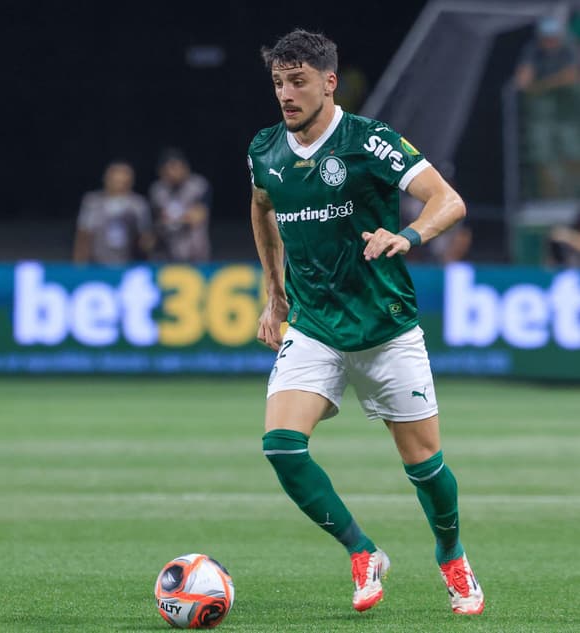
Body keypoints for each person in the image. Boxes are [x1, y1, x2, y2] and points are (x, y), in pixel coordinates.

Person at [247, 30, 484, 615]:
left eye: (298, 81)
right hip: (315, 326)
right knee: (281, 446)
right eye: (278, 83)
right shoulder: (265, 150)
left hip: (385, 328)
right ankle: (363, 550)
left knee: (426, 465)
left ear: (330, 82)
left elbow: (448, 201)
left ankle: (453, 559)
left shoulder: (369, 141)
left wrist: (407, 236)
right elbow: (261, 207)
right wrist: (274, 292)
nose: (286, 94)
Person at [513, 16, 580, 198]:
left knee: (573, 154)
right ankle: (550, 200)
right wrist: (537, 86)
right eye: (546, 38)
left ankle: (573, 195)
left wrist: (542, 85)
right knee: (542, 159)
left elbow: (571, 76)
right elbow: (522, 82)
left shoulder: (569, 49)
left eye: (553, 38)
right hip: (542, 116)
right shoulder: (532, 50)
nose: (550, 42)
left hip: (569, 115)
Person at [73, 161, 153, 265]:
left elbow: (146, 238)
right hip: (98, 265)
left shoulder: (138, 204)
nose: (119, 184)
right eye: (115, 180)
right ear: (106, 179)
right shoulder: (92, 202)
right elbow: (83, 236)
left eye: (123, 181)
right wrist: (79, 265)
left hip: (128, 265)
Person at [148, 148, 211, 262]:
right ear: (161, 172)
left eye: (177, 167)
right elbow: (156, 221)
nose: (173, 172)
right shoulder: (157, 190)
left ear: (185, 168)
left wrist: (171, 219)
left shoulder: (198, 185)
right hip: (167, 254)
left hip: (195, 255)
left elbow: (198, 217)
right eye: (169, 169)